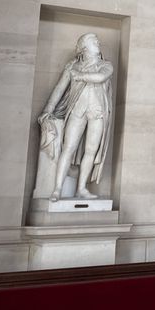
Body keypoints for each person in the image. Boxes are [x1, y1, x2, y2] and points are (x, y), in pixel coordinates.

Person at [39, 33, 114, 201]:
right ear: (84, 47)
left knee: (91, 150)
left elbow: (101, 77)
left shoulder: (106, 65)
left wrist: (79, 76)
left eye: (97, 40)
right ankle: (57, 188)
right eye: (94, 40)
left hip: (98, 112)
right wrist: (47, 110)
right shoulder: (72, 66)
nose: (98, 42)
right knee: (68, 147)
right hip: (77, 110)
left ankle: (81, 188)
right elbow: (59, 89)